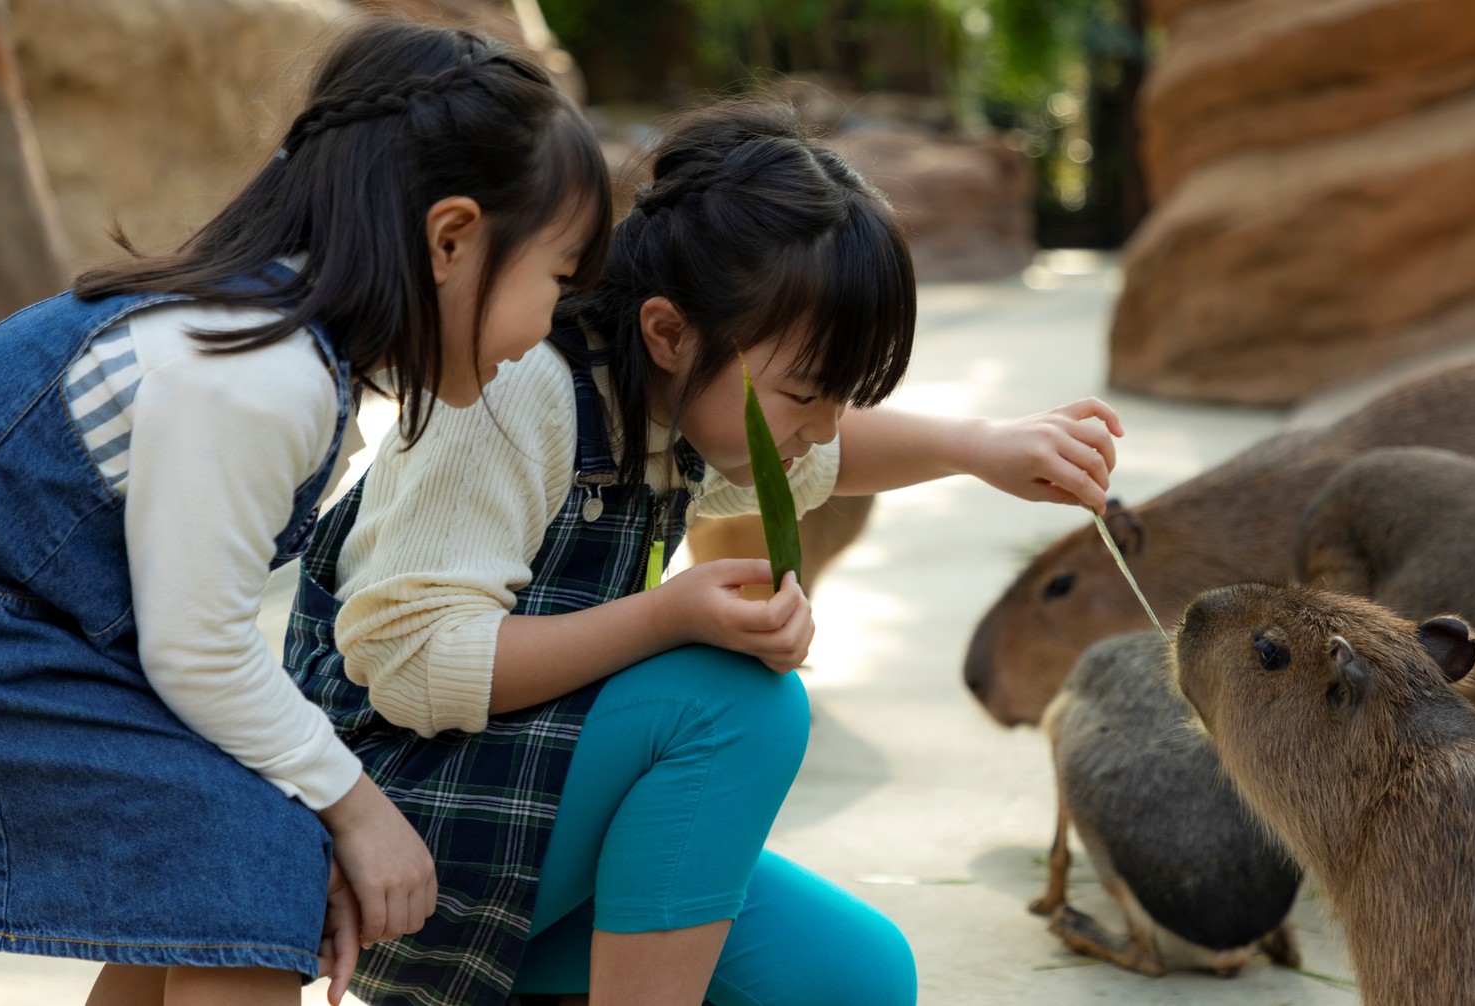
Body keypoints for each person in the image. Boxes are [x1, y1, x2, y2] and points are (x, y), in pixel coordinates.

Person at [284, 99, 1123, 1006]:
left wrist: (978, 447)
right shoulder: (517, 389)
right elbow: (414, 666)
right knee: (733, 702)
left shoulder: (668, 399)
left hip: (524, 830)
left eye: (841, 398)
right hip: (386, 849)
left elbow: (828, 456)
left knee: (857, 978)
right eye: (807, 393)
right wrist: (671, 614)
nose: (821, 428)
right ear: (670, 332)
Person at [0, 17, 613, 1006]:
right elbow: (199, 650)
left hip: (20, 633)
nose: (550, 325)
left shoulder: (279, 346)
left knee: (230, 834)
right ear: (451, 239)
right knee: (256, 848)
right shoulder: (260, 373)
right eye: (559, 279)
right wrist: (359, 809)